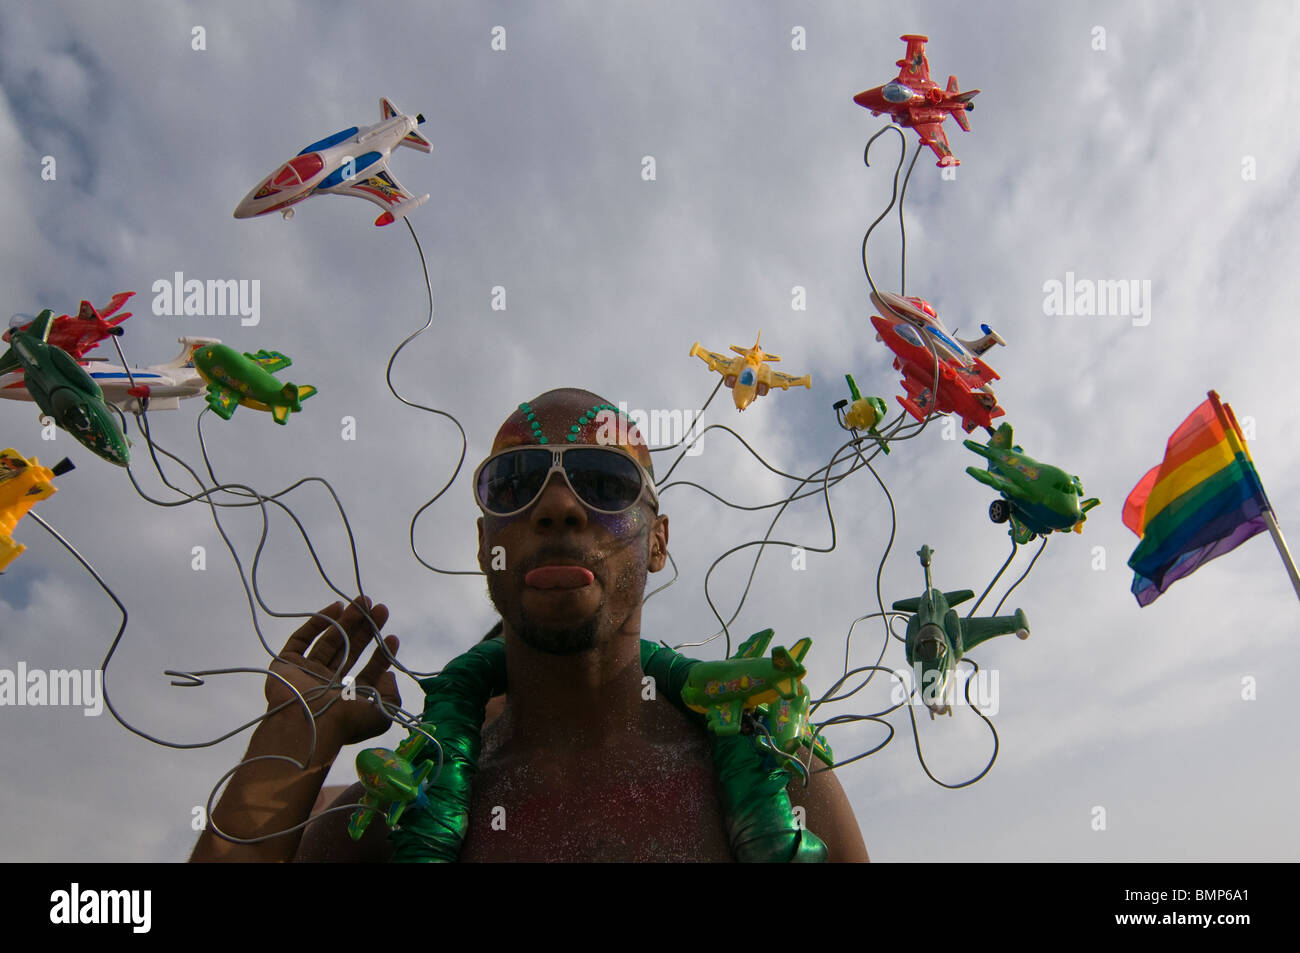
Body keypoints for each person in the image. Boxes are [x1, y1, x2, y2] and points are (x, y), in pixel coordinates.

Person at [191, 388, 868, 862]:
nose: (559, 506)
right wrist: (292, 740)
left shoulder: (776, 778)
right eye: (515, 483)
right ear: (484, 539)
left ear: (657, 541)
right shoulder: (394, 810)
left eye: (604, 483)